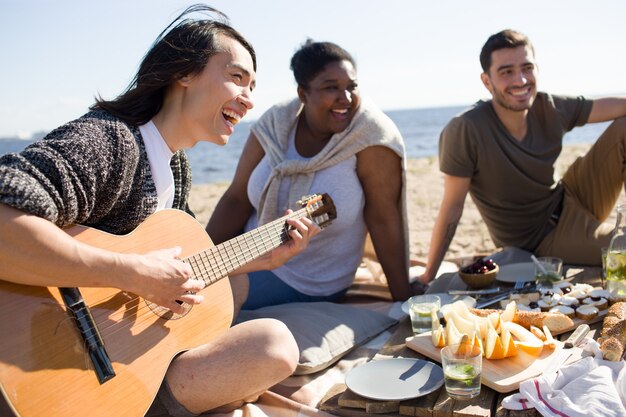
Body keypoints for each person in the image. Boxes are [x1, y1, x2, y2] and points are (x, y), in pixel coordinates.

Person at [0, 5, 320, 416]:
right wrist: (131, 272)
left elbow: (179, 268)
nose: (249, 99)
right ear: (183, 73)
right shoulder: (107, 142)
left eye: (253, 86)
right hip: (38, 360)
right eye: (237, 77)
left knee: (235, 292)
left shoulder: (176, 167)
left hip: (115, 357)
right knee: (273, 344)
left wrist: (263, 258)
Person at [207, 39, 420, 310]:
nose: (346, 98)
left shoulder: (369, 135)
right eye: (331, 88)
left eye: (351, 87)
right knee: (182, 288)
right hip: (250, 253)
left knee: (207, 304)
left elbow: (383, 218)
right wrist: (200, 260)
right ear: (303, 93)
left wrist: (403, 298)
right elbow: (236, 199)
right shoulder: (276, 123)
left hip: (309, 279)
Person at [419, 29, 626, 285]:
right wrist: (429, 274)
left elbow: (616, 106)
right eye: (506, 72)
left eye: (527, 68)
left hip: (572, 195)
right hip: (542, 238)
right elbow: (452, 206)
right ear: (487, 81)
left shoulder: (548, 105)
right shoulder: (465, 129)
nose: (520, 80)